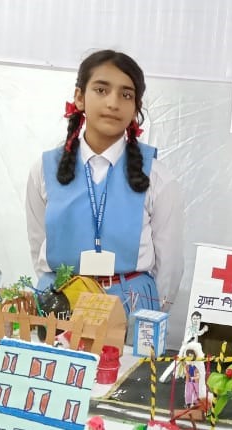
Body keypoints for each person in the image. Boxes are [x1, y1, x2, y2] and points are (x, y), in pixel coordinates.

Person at [26, 50, 184, 317]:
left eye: (126, 95)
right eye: (101, 90)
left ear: (136, 108)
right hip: (61, 301)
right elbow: (38, 242)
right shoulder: (44, 169)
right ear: (79, 97)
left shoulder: (156, 177)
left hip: (131, 302)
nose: (113, 103)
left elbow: (169, 263)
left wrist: (150, 316)